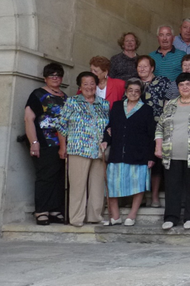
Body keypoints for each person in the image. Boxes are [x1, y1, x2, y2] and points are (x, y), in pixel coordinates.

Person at [154, 73, 190, 230]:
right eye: (181, 85)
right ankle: (171, 217)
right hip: (171, 153)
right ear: (177, 88)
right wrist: (158, 146)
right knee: (172, 187)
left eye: (188, 84)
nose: (185, 87)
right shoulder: (170, 104)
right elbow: (160, 127)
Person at [55, 71, 109, 227]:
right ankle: (76, 218)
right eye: (85, 84)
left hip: (99, 150)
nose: (89, 87)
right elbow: (61, 125)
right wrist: (63, 146)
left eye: (92, 83)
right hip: (78, 148)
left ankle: (95, 216)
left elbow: (108, 127)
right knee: (78, 185)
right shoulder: (72, 102)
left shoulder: (104, 104)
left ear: (97, 85)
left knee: (98, 185)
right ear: (80, 86)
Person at [101, 78, 156, 227]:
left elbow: (151, 135)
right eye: (130, 90)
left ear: (140, 93)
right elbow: (109, 127)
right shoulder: (117, 107)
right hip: (118, 152)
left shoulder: (146, 110)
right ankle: (115, 216)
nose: (133, 93)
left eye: (137, 91)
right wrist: (106, 140)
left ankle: (132, 215)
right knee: (112, 185)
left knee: (138, 185)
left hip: (138, 153)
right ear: (126, 92)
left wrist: (151, 156)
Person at [24, 63, 67, 225]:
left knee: (59, 177)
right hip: (44, 142)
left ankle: (55, 209)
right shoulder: (38, 94)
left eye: (58, 75)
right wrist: (33, 142)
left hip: (62, 142)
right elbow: (29, 118)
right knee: (45, 176)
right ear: (45, 78)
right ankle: (41, 210)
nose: (55, 78)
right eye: (51, 75)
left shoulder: (65, 96)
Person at [136, 55, 172, 208]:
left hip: (157, 126)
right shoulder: (133, 83)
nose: (142, 69)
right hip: (138, 129)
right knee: (140, 163)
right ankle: (140, 196)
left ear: (152, 68)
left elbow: (168, 102)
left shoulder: (162, 82)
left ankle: (155, 196)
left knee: (157, 163)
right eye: (139, 66)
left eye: (145, 66)